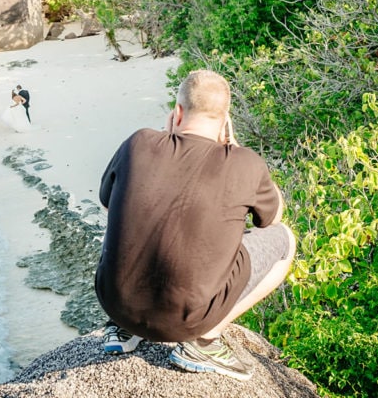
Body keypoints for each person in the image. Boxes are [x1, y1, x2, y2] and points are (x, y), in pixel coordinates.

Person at [94, 69, 296, 381]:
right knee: (285, 240)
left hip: (115, 303)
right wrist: (236, 147)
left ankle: (122, 329)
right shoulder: (244, 162)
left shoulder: (138, 143)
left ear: (176, 112)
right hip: (185, 320)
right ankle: (204, 341)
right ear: (225, 120)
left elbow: (107, 202)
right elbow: (273, 219)